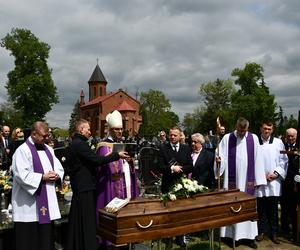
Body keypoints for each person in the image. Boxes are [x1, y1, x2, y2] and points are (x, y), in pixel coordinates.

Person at [66, 119, 129, 250]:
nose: (90, 132)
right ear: (81, 130)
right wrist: (116, 155)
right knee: (85, 219)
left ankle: (78, 243)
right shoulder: (80, 144)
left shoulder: (76, 143)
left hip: (81, 185)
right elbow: (96, 160)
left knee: (80, 219)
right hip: (84, 186)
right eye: (88, 129)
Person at [12, 121, 64, 250]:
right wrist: (42, 177)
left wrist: (57, 175)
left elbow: (59, 168)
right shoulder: (22, 151)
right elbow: (20, 175)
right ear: (34, 134)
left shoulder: (49, 150)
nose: (47, 138)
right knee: (29, 242)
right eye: (44, 136)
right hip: (28, 206)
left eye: (48, 136)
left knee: (45, 241)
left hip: (46, 204)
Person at [215, 117, 267, 249]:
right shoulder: (227, 138)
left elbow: (258, 158)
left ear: (247, 128)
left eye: (244, 131)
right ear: (236, 127)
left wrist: (259, 179)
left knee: (248, 207)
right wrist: (219, 160)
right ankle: (231, 236)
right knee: (231, 206)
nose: (242, 133)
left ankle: (249, 237)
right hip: (232, 181)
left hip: (248, 182)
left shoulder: (253, 138)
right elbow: (221, 155)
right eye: (240, 130)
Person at [95, 110, 140, 248]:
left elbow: (126, 163)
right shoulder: (103, 146)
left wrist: (130, 161)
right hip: (111, 184)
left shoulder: (123, 143)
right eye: (117, 129)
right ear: (110, 129)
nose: (120, 131)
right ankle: (109, 241)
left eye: (121, 129)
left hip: (125, 182)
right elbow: (101, 165)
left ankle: (126, 235)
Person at [158, 126, 193, 248]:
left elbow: (190, 166)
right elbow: (159, 167)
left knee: (180, 213)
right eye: (171, 135)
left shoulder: (186, 148)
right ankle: (168, 239)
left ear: (180, 136)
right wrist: (172, 168)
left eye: (175, 135)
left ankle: (180, 237)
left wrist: (181, 169)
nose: (172, 137)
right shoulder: (163, 148)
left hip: (181, 185)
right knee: (168, 213)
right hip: (167, 185)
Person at [255, 122, 288, 244]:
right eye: (265, 128)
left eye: (269, 129)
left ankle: (274, 233)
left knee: (273, 209)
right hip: (259, 181)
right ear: (261, 129)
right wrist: (259, 175)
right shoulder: (254, 141)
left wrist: (275, 174)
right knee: (261, 209)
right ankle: (261, 231)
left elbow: (284, 161)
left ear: (272, 130)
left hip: (273, 181)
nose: (267, 131)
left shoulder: (278, 142)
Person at [280, 128, 298, 241]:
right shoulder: (282, 147)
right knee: (284, 206)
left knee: (294, 208)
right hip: (284, 181)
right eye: (288, 136)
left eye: (292, 136)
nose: (290, 138)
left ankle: (295, 231)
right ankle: (284, 230)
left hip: (296, 183)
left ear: (296, 136)